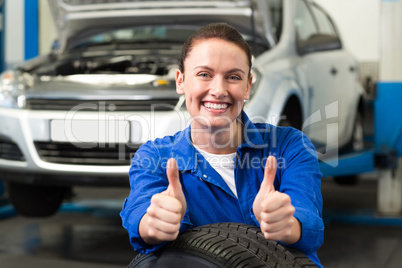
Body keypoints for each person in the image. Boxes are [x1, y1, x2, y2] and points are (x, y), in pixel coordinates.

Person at [120, 22, 324, 267]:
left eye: (233, 77)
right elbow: (139, 214)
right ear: (180, 81)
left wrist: (288, 224)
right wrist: (154, 222)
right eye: (204, 74)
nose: (218, 90)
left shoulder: (290, 146)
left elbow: (309, 220)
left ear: (248, 86)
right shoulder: (154, 157)